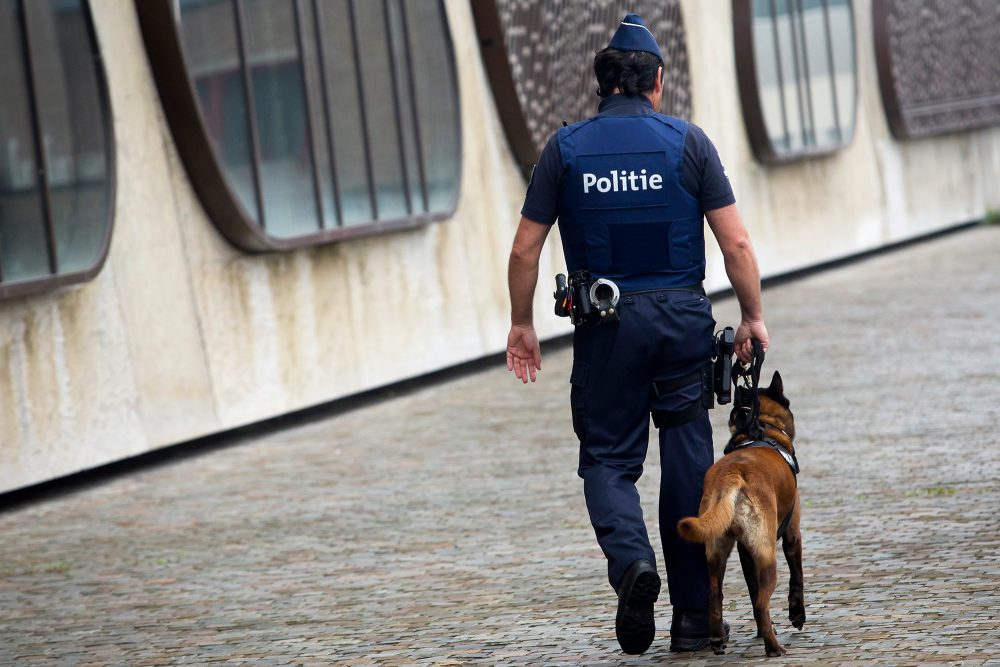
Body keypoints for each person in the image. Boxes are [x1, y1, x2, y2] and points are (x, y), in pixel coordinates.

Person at [504, 13, 769, 655]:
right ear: (656, 82)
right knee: (687, 460)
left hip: (607, 328)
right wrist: (754, 316)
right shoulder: (689, 143)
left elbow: (525, 250)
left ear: (602, 86)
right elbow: (733, 240)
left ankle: (632, 567)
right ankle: (694, 622)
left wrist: (521, 323)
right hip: (682, 321)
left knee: (606, 461)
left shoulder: (564, 150)